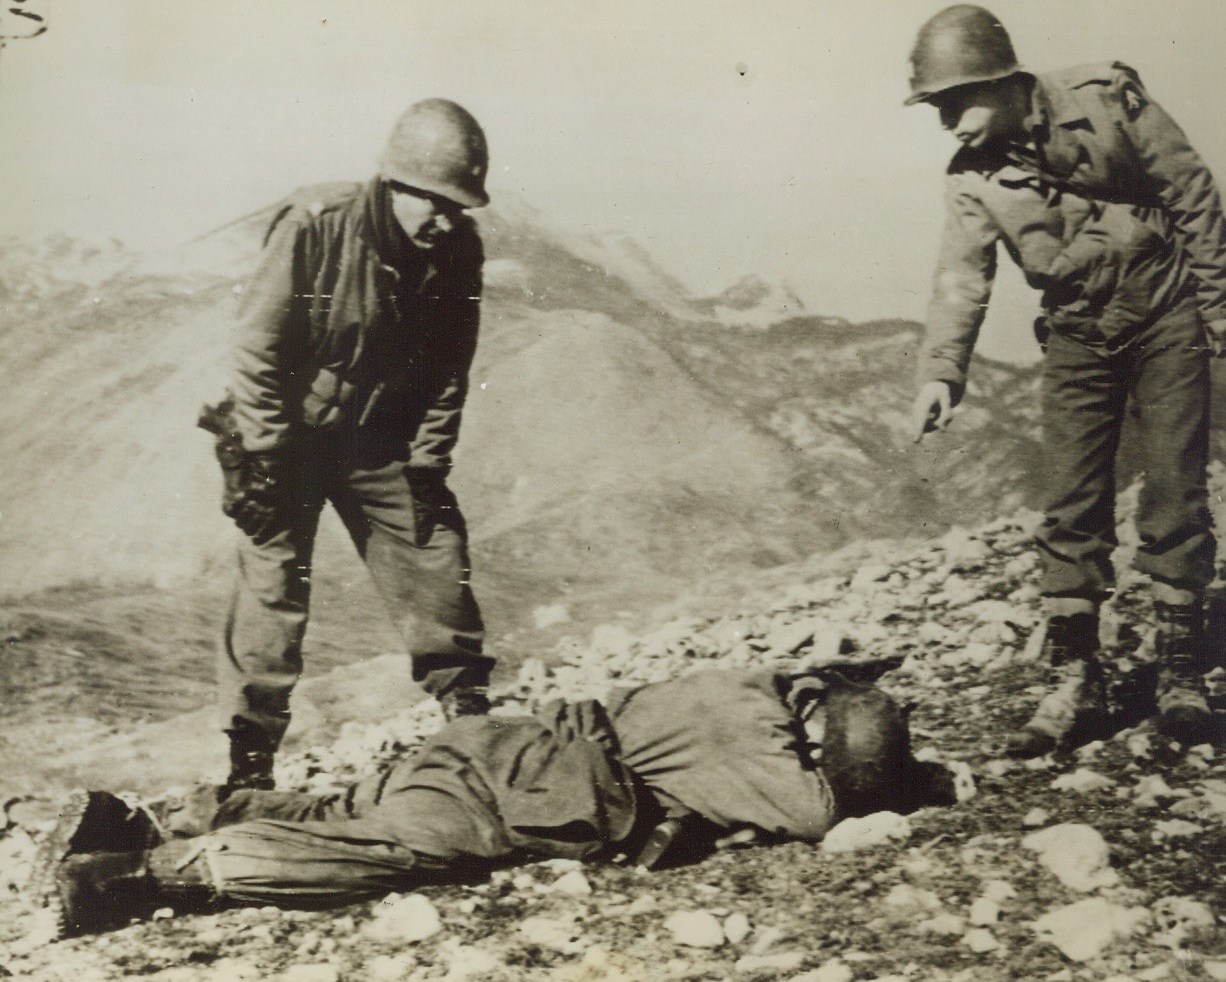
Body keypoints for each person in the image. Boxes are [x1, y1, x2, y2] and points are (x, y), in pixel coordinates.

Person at [30, 667, 965, 938]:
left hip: (487, 743)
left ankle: (156, 816)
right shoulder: (762, 758)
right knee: (384, 852)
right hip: (523, 792)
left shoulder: (751, 686)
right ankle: (139, 876)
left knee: (346, 805)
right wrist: (912, 784)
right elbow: (820, 815)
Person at [904, 5, 1226, 756]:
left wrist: (1219, 313)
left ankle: (1180, 672)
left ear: (1000, 81)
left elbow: (1191, 193)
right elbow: (961, 276)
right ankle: (1076, 679)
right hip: (1078, 331)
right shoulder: (971, 179)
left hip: (1166, 310)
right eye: (937, 109)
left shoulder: (1105, 100)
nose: (948, 124)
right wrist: (941, 373)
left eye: (956, 102)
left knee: (1175, 486)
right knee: (1070, 502)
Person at [199, 99, 496, 794]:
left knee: (434, 552)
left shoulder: (457, 251)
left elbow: (450, 365)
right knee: (272, 591)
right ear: (393, 184)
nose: (445, 219)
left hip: (379, 438)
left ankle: (473, 724)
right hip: (287, 437)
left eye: (457, 206)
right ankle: (250, 766)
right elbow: (258, 348)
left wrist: (427, 460)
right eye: (433, 202)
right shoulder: (317, 224)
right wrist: (264, 456)